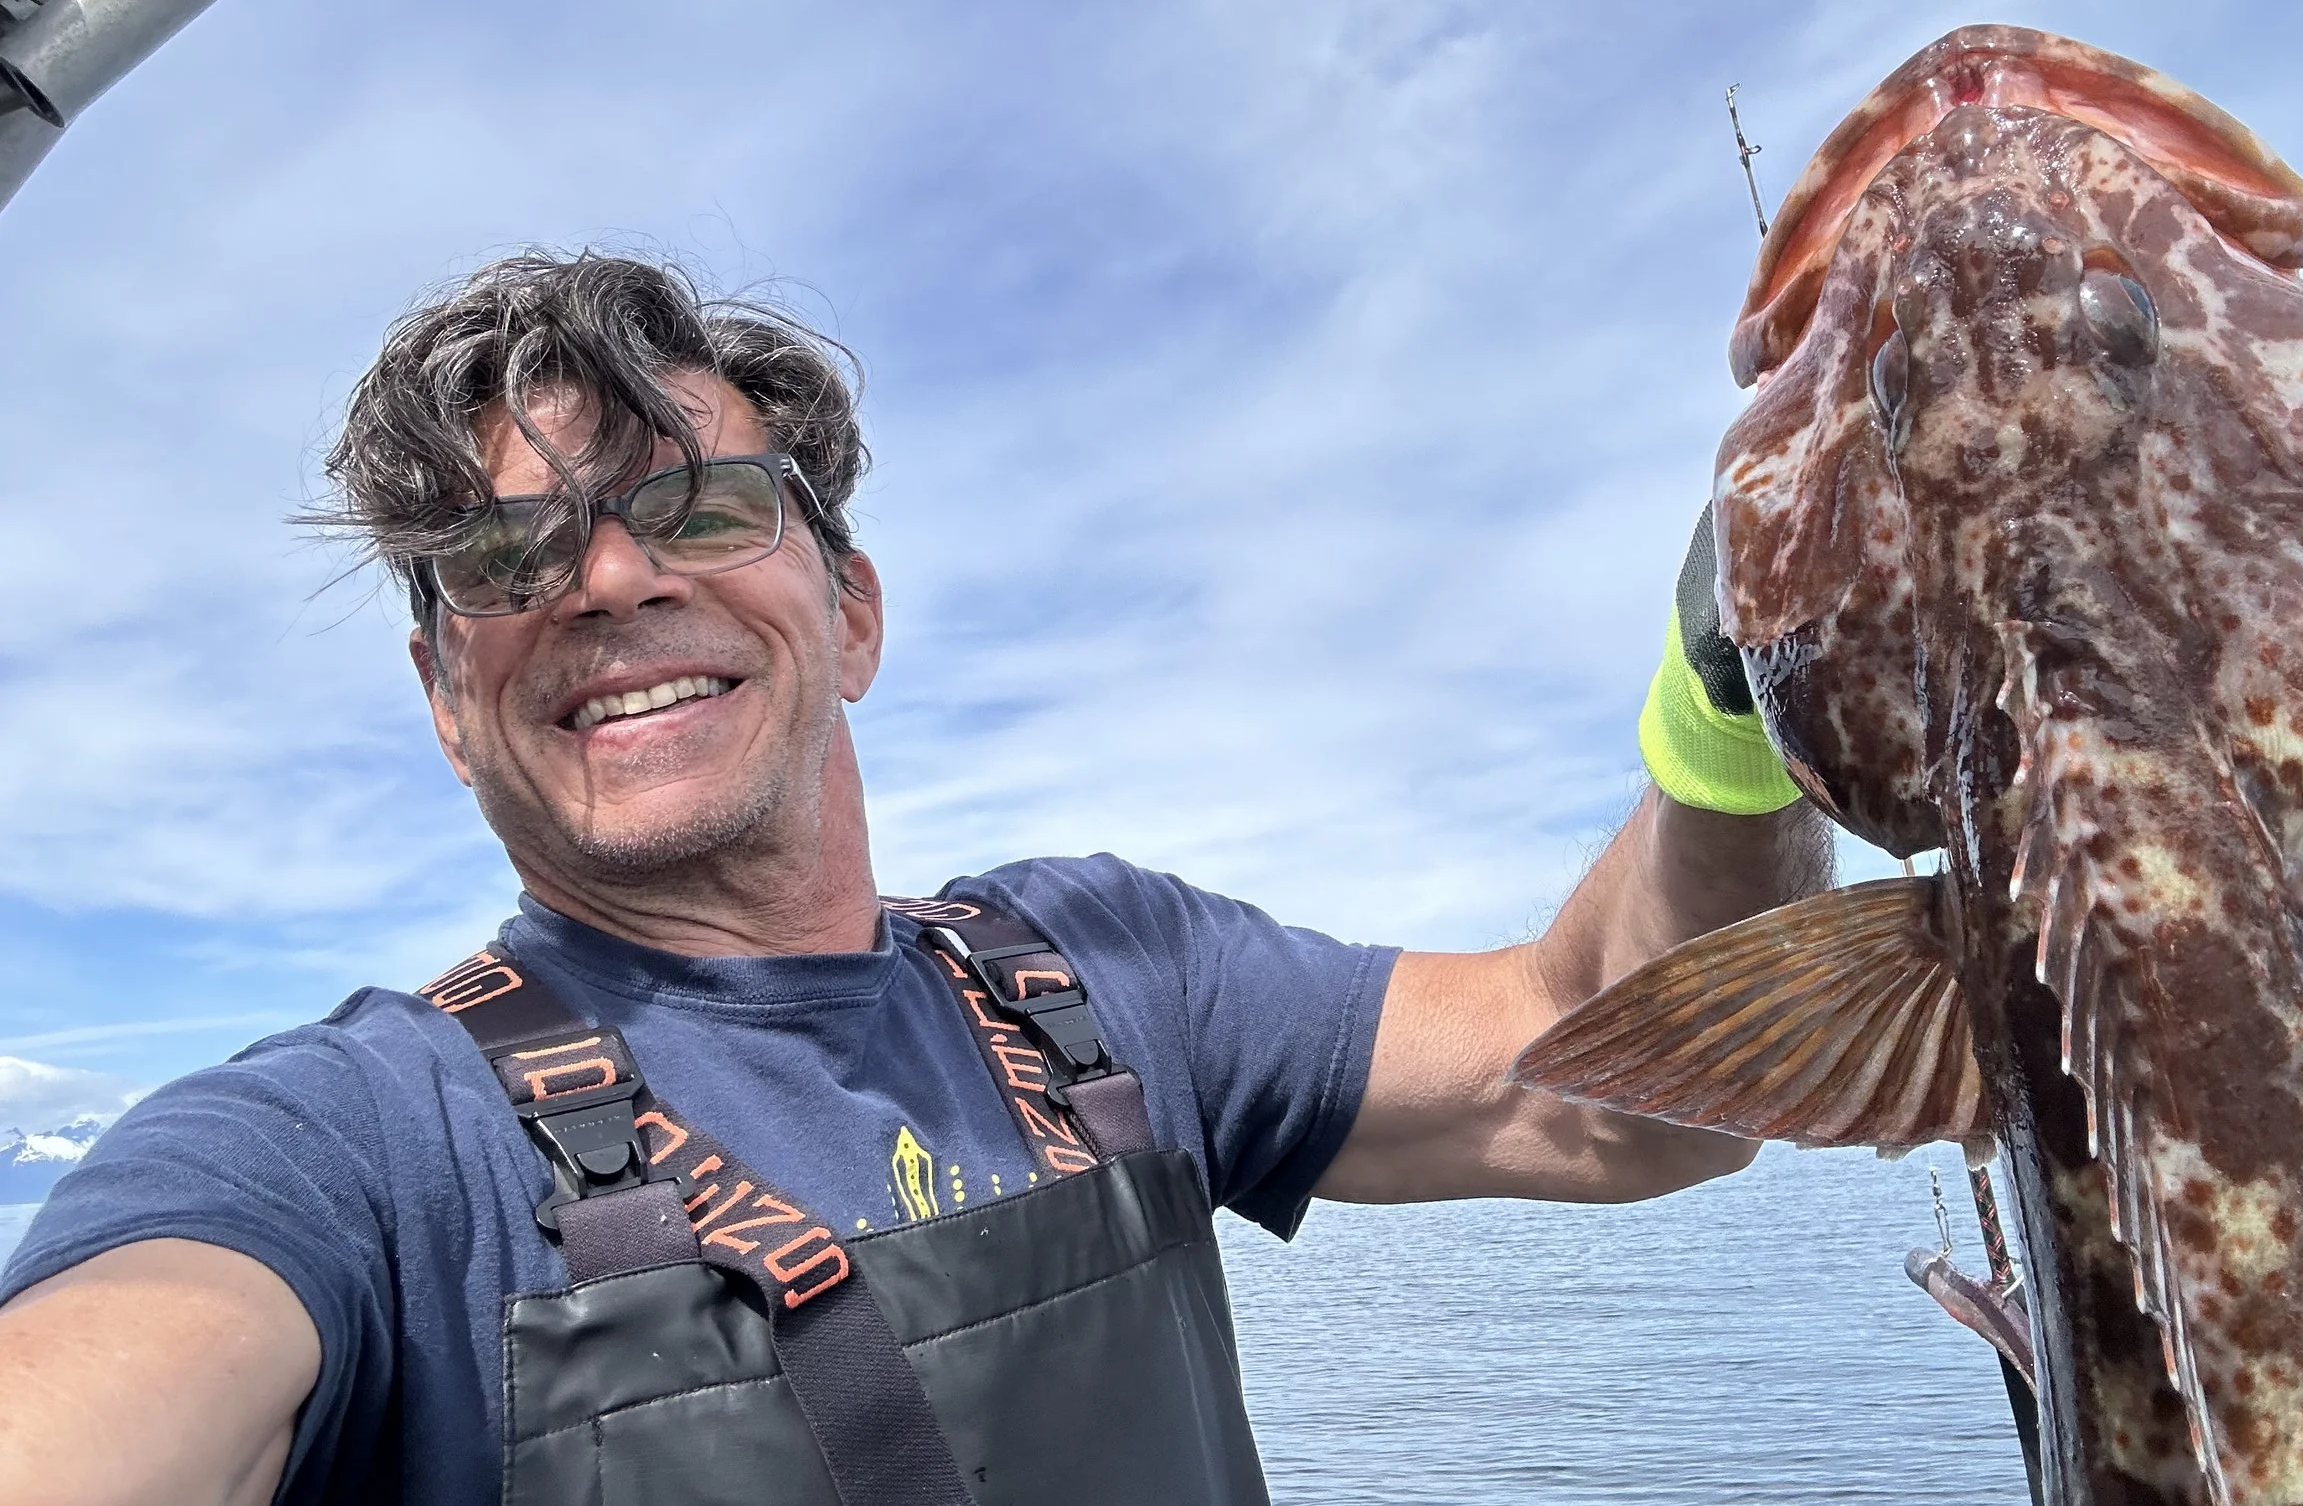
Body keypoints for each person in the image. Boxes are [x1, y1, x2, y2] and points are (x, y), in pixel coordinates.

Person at [0, 252, 1829, 1506]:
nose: (611, 578)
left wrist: (1742, 670)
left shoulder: (1105, 970)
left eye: (702, 504)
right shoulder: (356, 1149)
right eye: (507, 552)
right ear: (442, 697)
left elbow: (1625, 1093)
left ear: (854, 612)